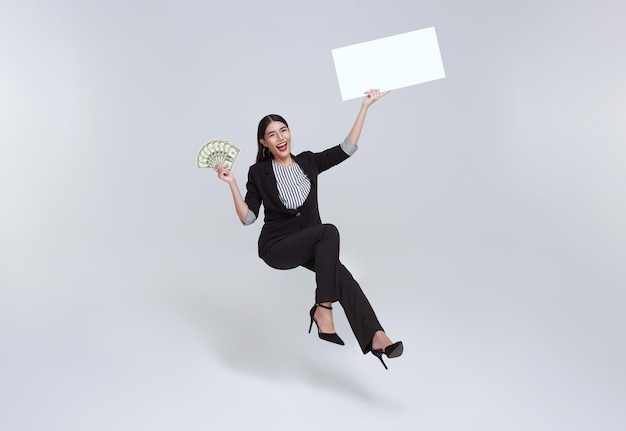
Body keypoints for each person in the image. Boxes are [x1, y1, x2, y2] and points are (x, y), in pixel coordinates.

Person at [214, 89, 403, 369]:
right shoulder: (258, 173)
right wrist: (231, 183)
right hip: (277, 247)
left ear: (290, 133)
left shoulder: (309, 162)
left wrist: (365, 107)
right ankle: (323, 308)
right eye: (272, 135)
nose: (280, 138)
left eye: (283, 130)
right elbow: (248, 218)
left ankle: (376, 337)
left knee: (344, 277)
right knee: (329, 231)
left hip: (310, 243)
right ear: (264, 143)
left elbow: (346, 149)